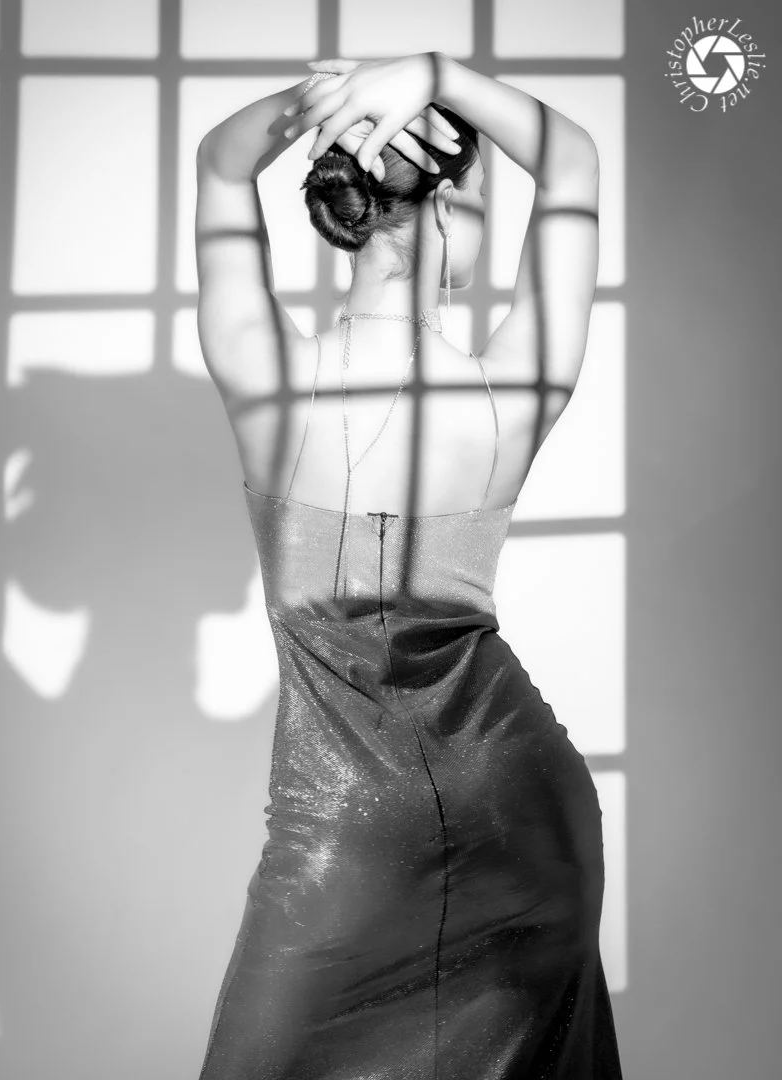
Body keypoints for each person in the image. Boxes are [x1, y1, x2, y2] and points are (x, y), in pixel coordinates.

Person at [194, 50, 621, 1079]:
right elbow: (572, 161)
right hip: (519, 801)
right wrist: (434, 73)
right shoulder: (511, 390)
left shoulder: (267, 377)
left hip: (338, 828)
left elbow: (219, 163)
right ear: (451, 213)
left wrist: (325, 97)